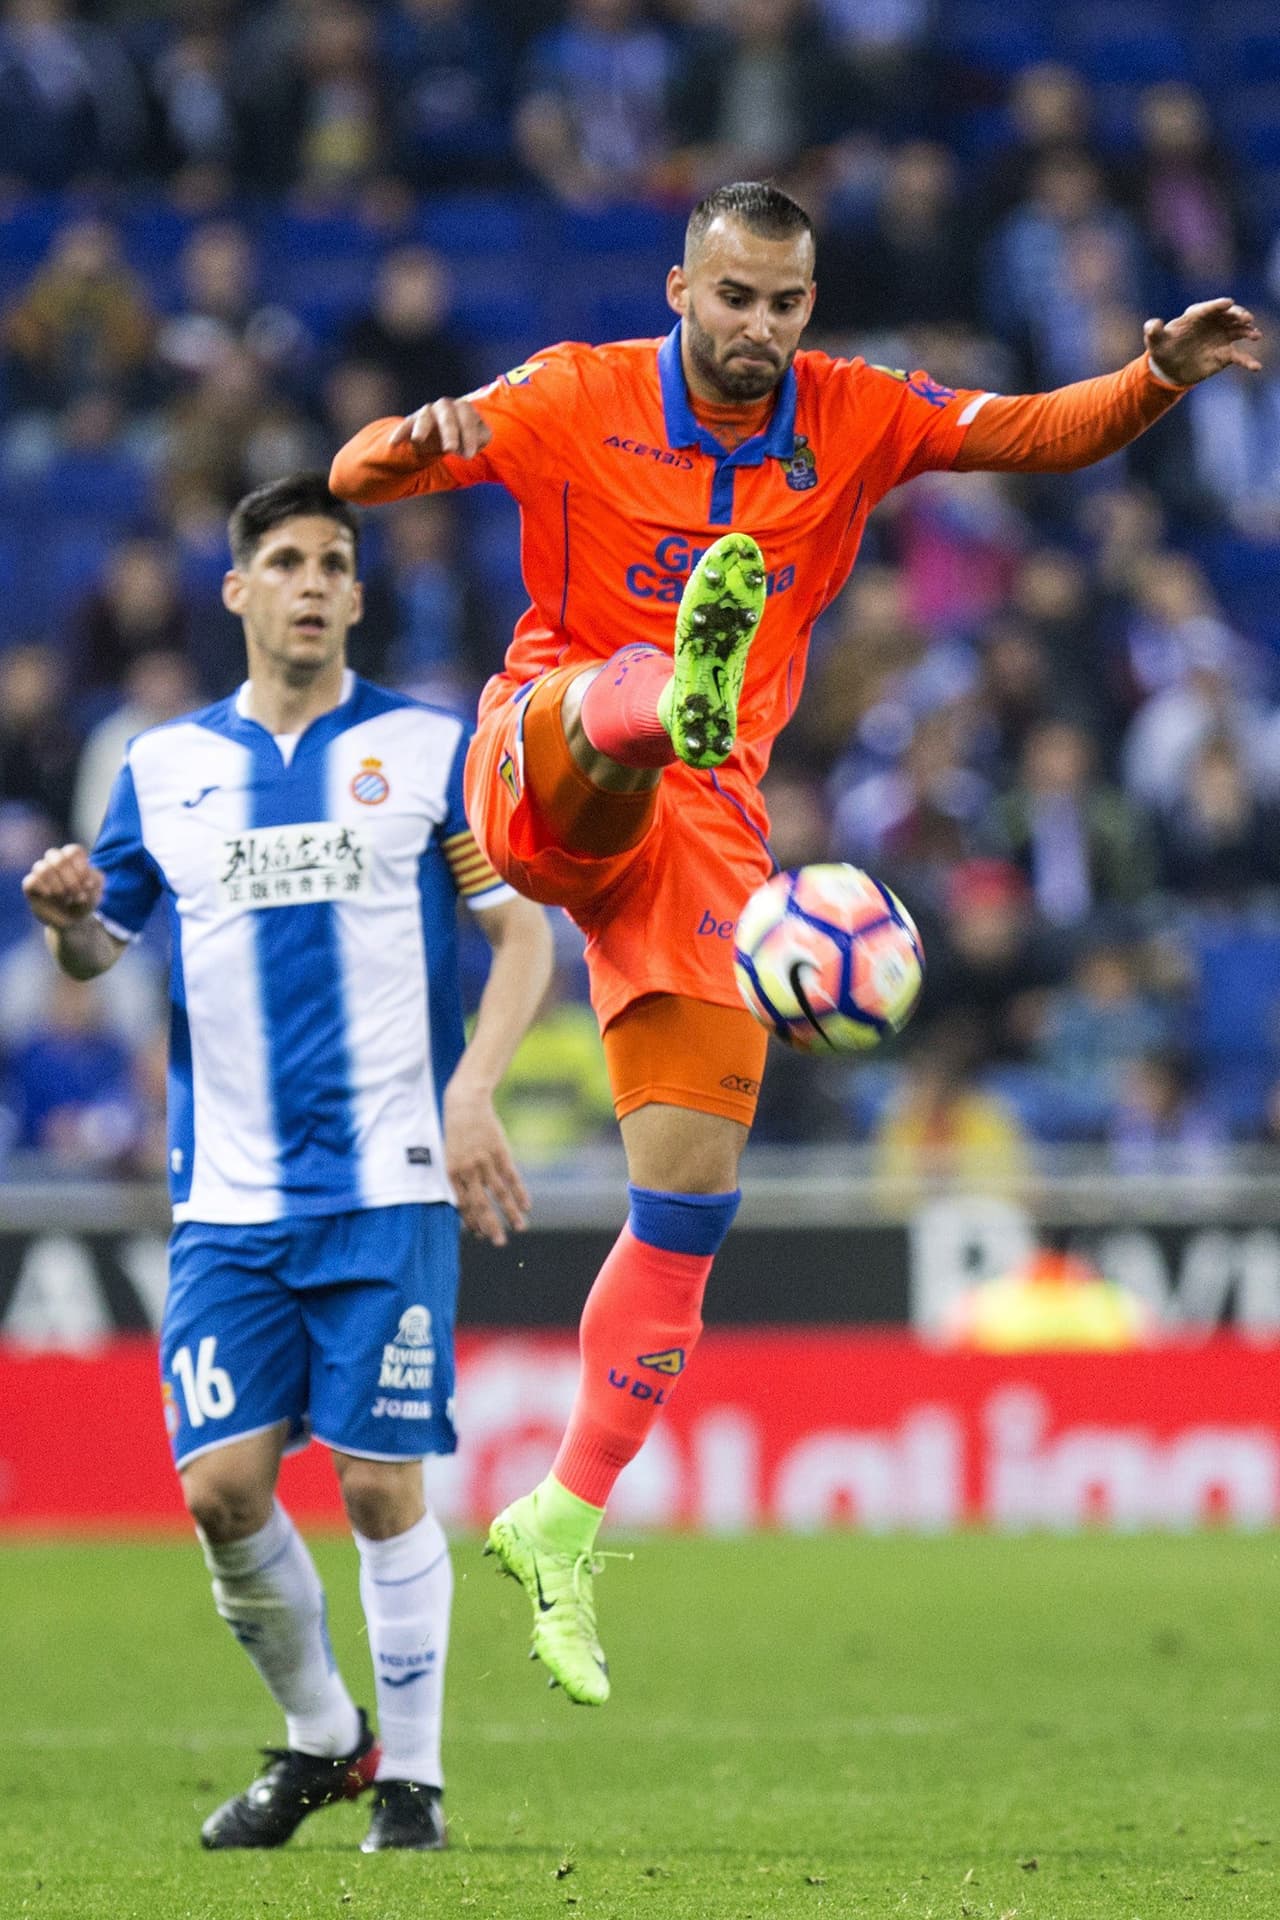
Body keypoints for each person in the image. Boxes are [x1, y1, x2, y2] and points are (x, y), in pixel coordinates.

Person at [329, 179, 1261, 1708]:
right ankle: (665, 692)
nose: (757, 326)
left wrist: (1154, 374)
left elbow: (1033, 433)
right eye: (733, 297)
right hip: (543, 754)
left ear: (808, 306)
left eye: (782, 304)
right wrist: (412, 440)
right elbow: (356, 474)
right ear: (680, 289)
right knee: (610, 712)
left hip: (708, 840)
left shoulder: (854, 411)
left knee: (689, 1202)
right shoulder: (572, 391)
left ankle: (561, 1519)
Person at [21, 473, 553, 1850]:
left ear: (359, 595)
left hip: (388, 1180)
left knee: (378, 1484)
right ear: (236, 589)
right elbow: (98, 953)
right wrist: (69, 918)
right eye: (285, 563)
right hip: (228, 1197)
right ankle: (326, 1737)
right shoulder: (163, 768)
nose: (310, 584)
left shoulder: (431, 749)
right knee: (219, 1492)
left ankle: (415, 1787)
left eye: (331, 563)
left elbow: (523, 936)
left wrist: (475, 1090)